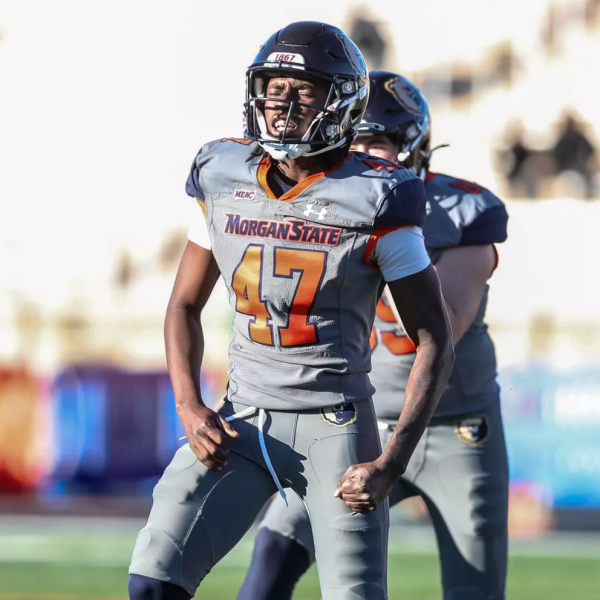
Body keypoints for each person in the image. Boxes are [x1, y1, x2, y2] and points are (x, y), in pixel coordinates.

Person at [127, 24, 454, 600]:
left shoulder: (378, 197)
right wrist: (188, 405)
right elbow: (183, 303)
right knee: (153, 579)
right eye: (273, 87)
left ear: (341, 101)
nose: (281, 103)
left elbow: (434, 337)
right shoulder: (224, 175)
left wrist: (392, 459)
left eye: (302, 90)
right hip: (243, 421)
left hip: (336, 428)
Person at [237, 71, 510, 600]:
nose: (361, 151)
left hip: (456, 430)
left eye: (376, 141)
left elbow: (441, 324)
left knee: (473, 592)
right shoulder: (316, 204)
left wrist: (378, 244)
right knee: (272, 554)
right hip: (353, 425)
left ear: (412, 149)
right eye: (352, 136)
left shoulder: (461, 211)